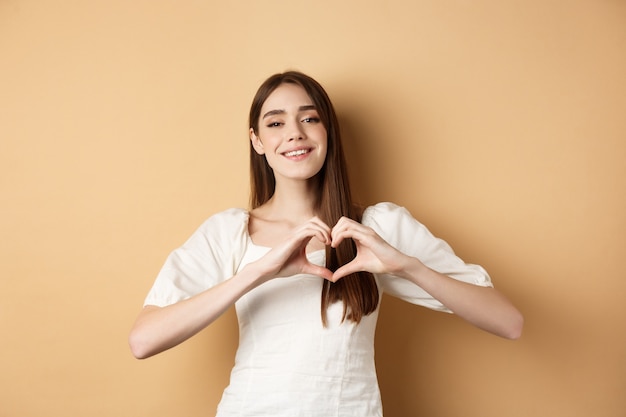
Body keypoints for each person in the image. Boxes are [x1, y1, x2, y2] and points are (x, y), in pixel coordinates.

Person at [129, 71, 523, 416]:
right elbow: (144, 340)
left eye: (309, 118)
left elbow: (508, 322)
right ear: (257, 141)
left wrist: (407, 266)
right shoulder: (230, 232)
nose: (294, 133)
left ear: (327, 133)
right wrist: (257, 273)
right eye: (275, 123)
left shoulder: (375, 228)